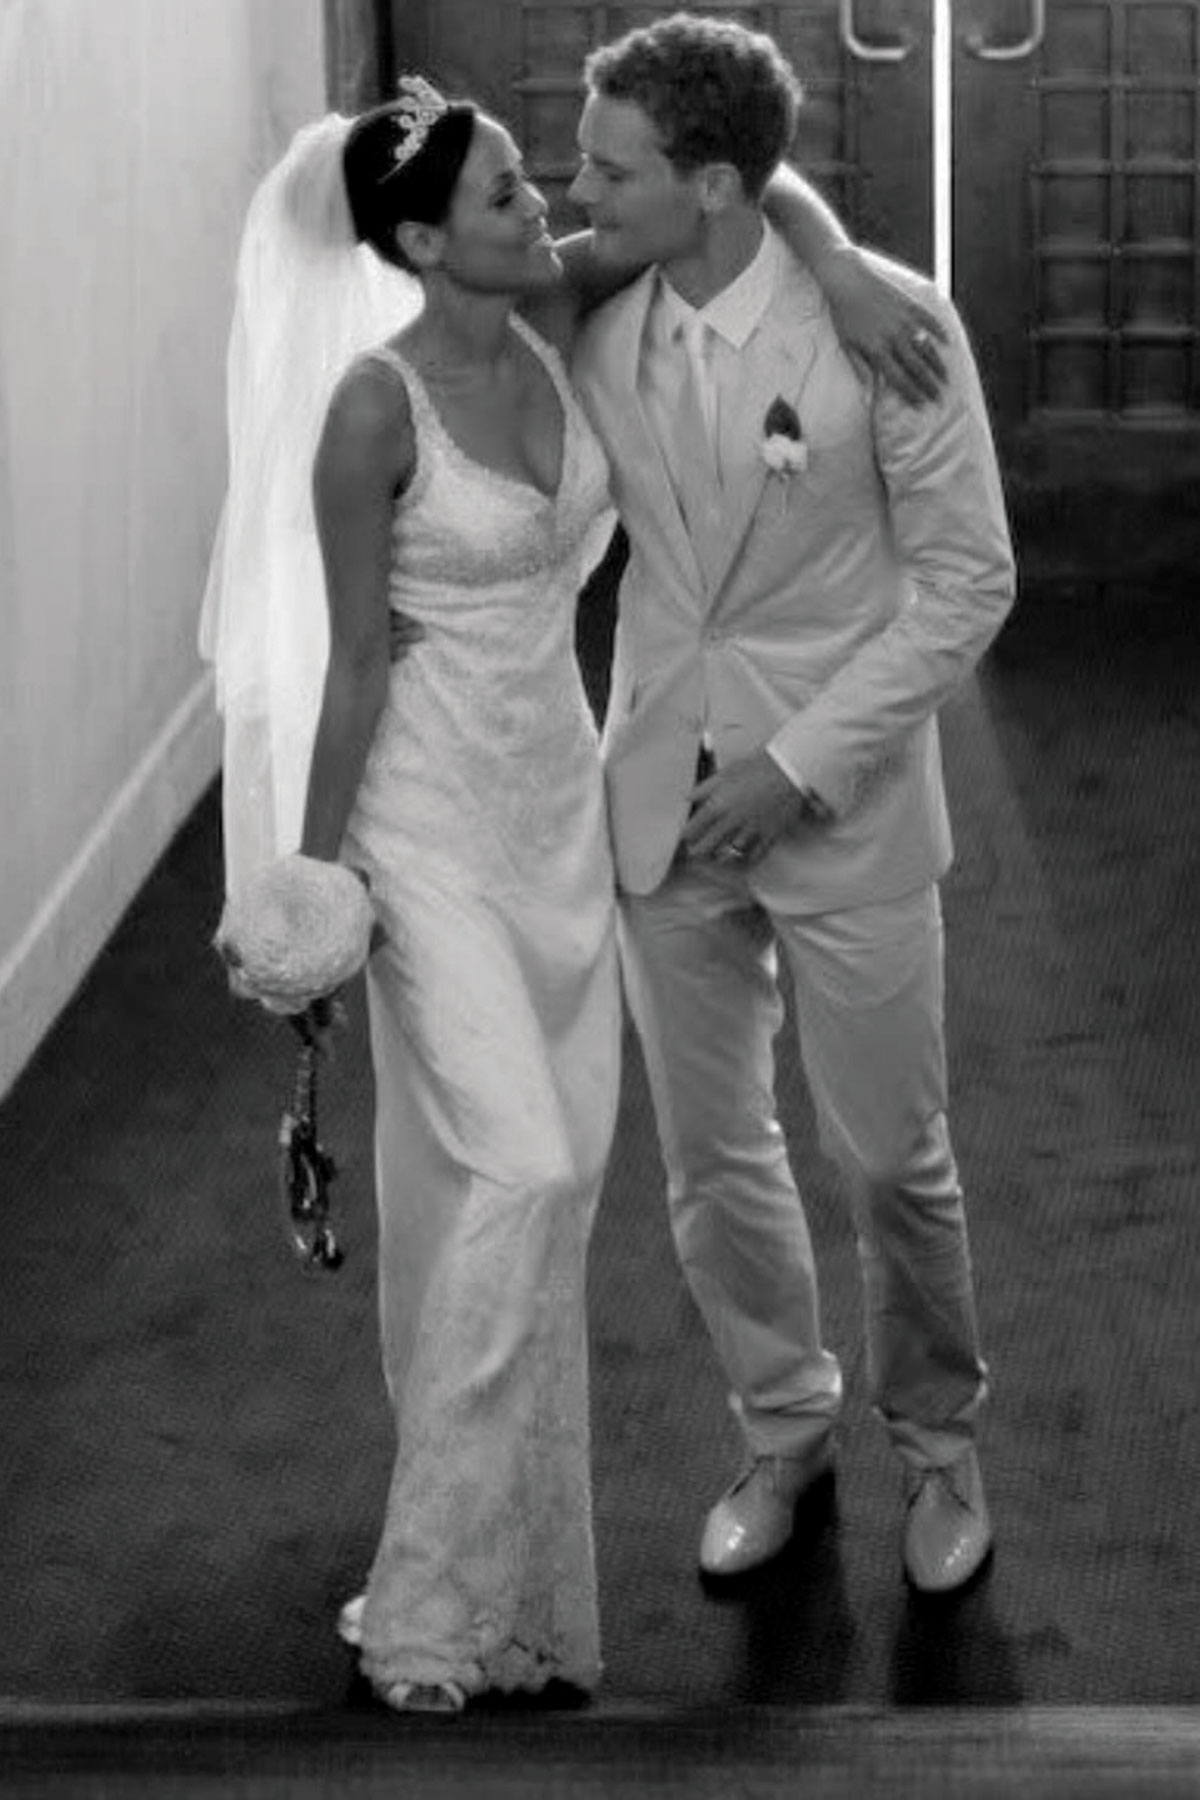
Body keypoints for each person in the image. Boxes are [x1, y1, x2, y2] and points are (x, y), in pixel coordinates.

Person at [200, 74, 961, 1713]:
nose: (548, 202)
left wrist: (831, 257)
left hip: (565, 821)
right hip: (440, 818)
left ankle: (538, 1588)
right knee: (551, 1176)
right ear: (418, 239)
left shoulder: (557, 306)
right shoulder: (384, 404)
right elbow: (347, 674)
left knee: (635, 1190)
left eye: (560, 182)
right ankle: (432, 1593)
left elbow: (740, 193)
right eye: (504, 192)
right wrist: (315, 895)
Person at [568, 13, 1016, 1596]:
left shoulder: (893, 325)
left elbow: (968, 584)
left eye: (607, 166)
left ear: (706, 183)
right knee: (710, 1160)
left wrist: (797, 765)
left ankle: (942, 1452)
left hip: (842, 805)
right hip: (655, 804)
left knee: (892, 1155)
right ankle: (784, 1429)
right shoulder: (592, 311)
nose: (576, 189)